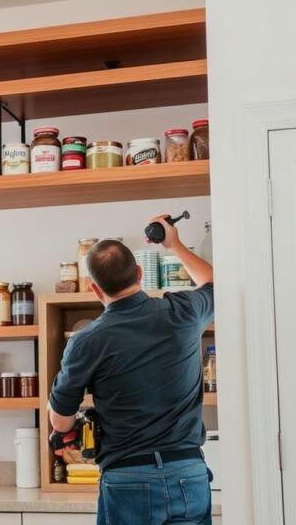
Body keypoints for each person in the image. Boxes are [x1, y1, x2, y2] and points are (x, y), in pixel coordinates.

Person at [49, 214, 215, 525]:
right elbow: (212, 282)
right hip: (188, 473)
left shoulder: (86, 342)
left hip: (128, 478)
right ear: (139, 272)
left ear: (95, 289)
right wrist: (173, 244)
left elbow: (60, 421)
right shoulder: (184, 312)